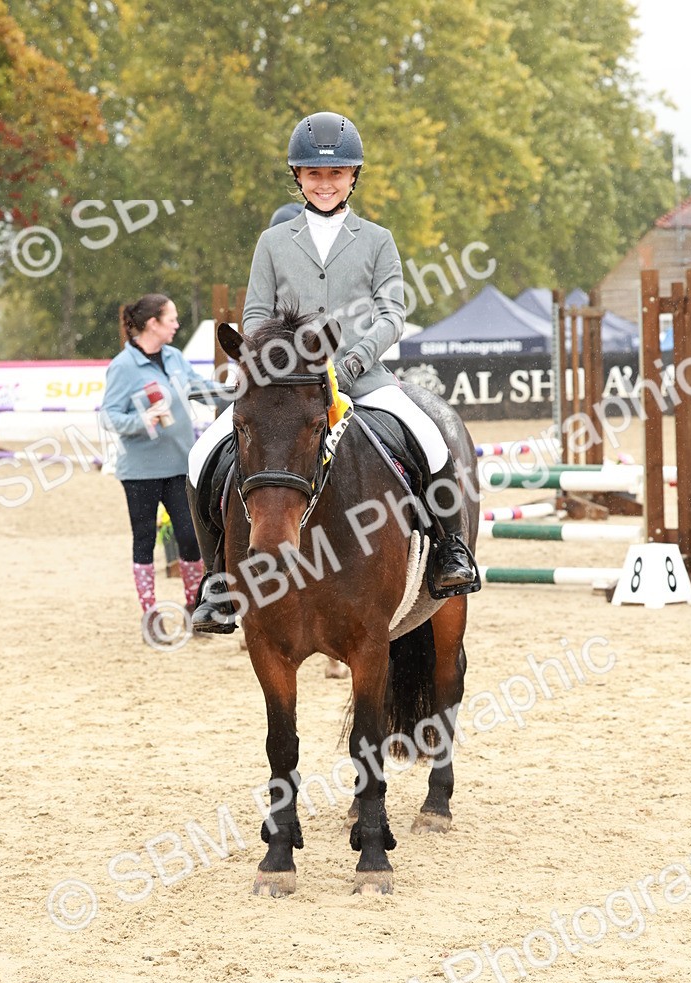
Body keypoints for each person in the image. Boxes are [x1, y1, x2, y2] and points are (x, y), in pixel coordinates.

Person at [189, 111, 477, 633]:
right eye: (315, 174)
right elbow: (256, 314)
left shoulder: (377, 239)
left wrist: (353, 360)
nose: (326, 183)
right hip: (286, 386)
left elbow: (392, 314)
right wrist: (275, 359)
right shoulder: (272, 242)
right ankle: (216, 580)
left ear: (353, 177)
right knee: (200, 454)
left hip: (363, 378)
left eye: (337, 174)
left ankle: (451, 551)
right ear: (298, 177)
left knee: (432, 439)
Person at [102, 293, 215, 645]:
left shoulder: (175, 357)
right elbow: (108, 415)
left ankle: (196, 609)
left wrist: (239, 388)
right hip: (140, 471)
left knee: (189, 538)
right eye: (172, 319)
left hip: (180, 464)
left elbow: (200, 388)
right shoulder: (123, 366)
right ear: (153, 323)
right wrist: (141, 420)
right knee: (145, 540)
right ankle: (151, 617)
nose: (177, 325)